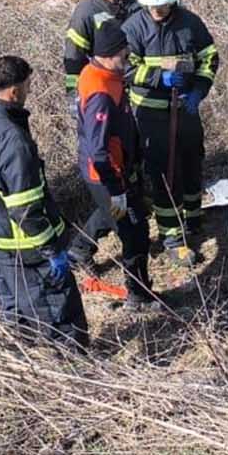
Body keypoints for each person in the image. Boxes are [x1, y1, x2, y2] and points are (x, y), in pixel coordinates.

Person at [0, 55, 88, 347]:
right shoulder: (12, 140)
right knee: (61, 317)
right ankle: (75, 372)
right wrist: (51, 249)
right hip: (25, 248)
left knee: (15, 314)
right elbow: (25, 208)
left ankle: (24, 364)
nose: (30, 90)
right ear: (15, 91)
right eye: (28, 85)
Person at [122, 0, 217, 264]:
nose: (156, 11)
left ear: (174, 0)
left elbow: (209, 58)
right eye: (152, 7)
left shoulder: (191, 24)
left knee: (191, 162)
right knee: (163, 172)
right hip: (150, 115)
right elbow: (125, 68)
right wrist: (157, 78)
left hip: (185, 109)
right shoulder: (134, 27)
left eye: (161, 6)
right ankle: (172, 236)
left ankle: (193, 218)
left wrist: (199, 90)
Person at [65, 18, 157, 307]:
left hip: (111, 171)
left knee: (113, 214)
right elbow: (99, 148)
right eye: (124, 54)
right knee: (135, 233)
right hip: (107, 173)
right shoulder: (101, 93)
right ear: (108, 54)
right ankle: (139, 295)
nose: (127, 58)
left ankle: (79, 248)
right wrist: (116, 187)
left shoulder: (97, 73)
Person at [61, 0, 135, 92]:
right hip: (104, 88)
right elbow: (74, 57)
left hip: (138, 86)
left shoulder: (140, 3)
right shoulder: (87, 12)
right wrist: (75, 95)